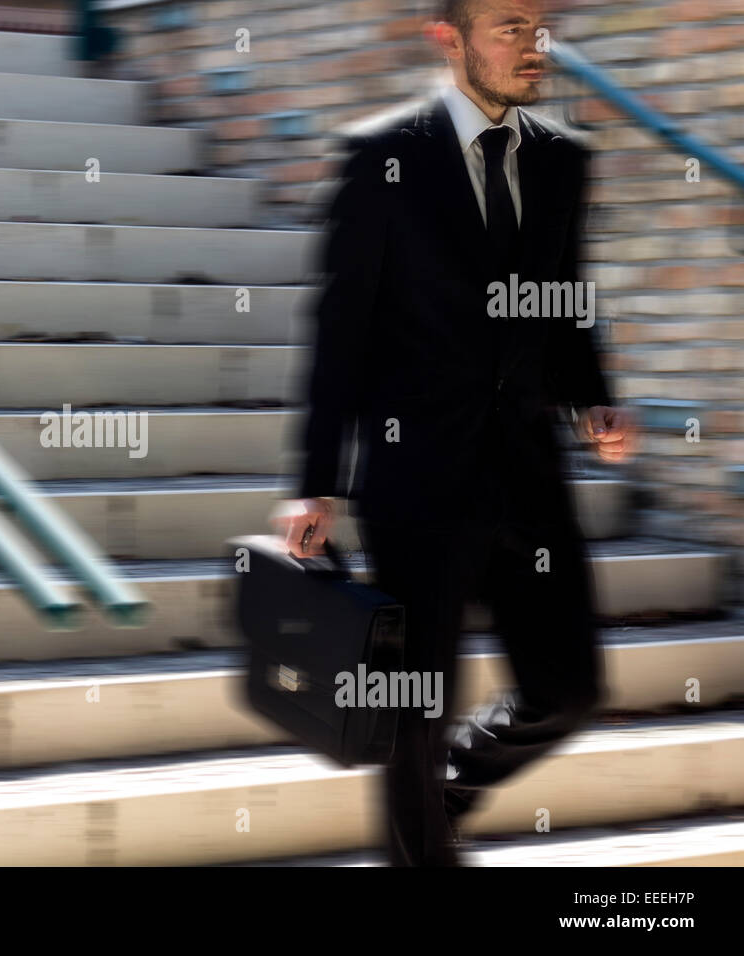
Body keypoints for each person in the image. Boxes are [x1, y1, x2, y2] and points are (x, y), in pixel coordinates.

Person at [270, 0, 638, 866]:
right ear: (449, 38)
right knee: (414, 712)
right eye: (509, 25)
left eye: (540, 26)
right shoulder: (380, 159)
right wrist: (316, 477)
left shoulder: (562, 162)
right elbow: (340, 330)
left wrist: (594, 399)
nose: (533, 45)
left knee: (570, 690)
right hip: (417, 478)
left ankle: (444, 796)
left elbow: (564, 301)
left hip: (529, 475)